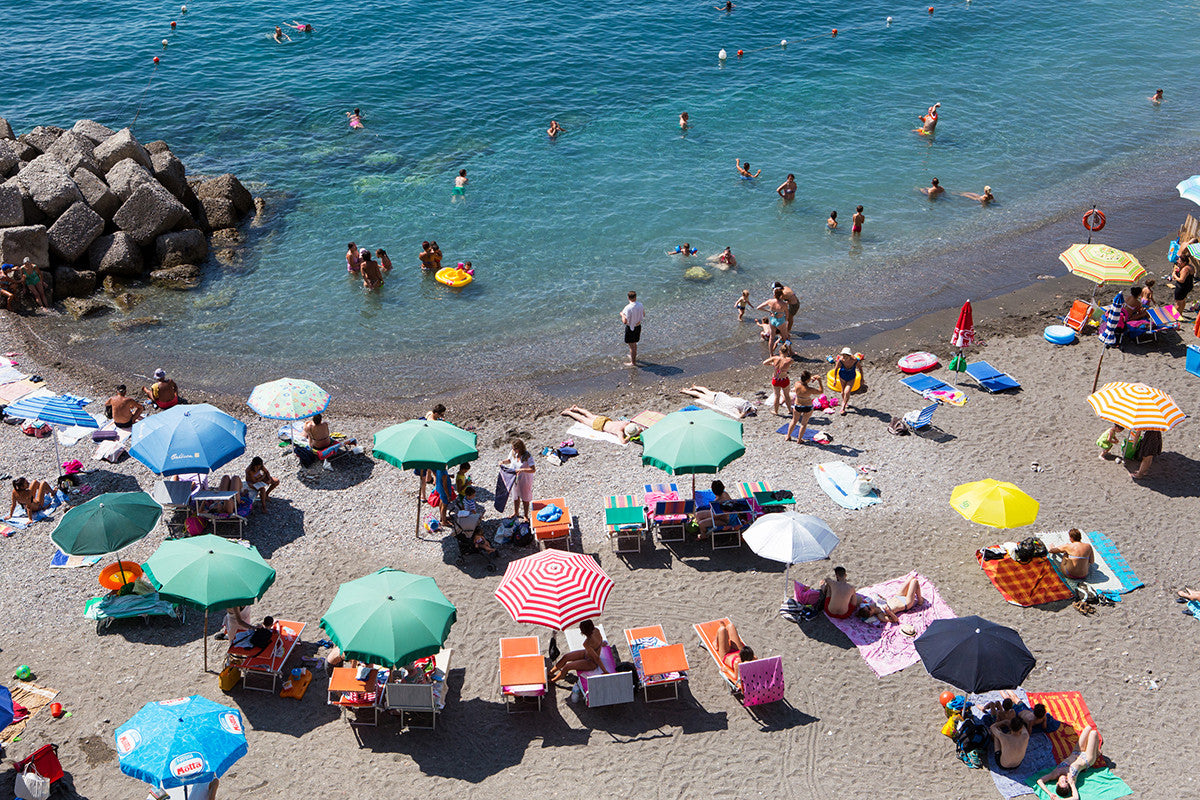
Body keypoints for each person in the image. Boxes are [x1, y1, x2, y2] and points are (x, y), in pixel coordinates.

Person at [1037, 724, 1102, 799]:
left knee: (1088, 728)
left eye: (1062, 782)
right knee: (1093, 733)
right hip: (1087, 758)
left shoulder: (1054, 773)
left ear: (1057, 783)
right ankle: (1096, 752)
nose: (1064, 779)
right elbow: (1076, 798)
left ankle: (1096, 751)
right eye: (1066, 782)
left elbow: (1040, 781)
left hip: (1077, 752)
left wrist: (1050, 793)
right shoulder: (1071, 780)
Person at [560, 406, 643, 443]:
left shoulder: (626, 423)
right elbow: (623, 441)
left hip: (604, 419)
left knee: (589, 415)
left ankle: (576, 408)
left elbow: (635, 428)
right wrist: (629, 436)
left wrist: (636, 430)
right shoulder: (619, 431)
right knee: (582, 419)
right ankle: (569, 412)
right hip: (599, 425)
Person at [500, 438, 535, 519]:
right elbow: (509, 460)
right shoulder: (513, 453)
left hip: (524, 479)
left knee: (525, 498)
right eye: (513, 448)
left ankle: (526, 515)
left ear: (520, 448)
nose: (513, 450)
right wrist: (502, 462)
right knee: (515, 496)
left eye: (515, 448)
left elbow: (533, 469)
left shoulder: (527, 456)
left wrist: (521, 470)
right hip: (514, 478)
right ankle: (516, 512)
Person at [787, 370, 824, 442]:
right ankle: (799, 439)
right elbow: (821, 391)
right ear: (807, 380)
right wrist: (819, 381)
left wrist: (809, 379)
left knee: (794, 421)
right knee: (804, 424)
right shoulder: (809, 390)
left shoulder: (796, 384)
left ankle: (788, 436)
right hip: (807, 406)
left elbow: (801, 382)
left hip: (798, 405)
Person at [678, 385, 757, 418]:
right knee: (699, 395)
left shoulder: (741, 401)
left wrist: (748, 409)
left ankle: (695, 386)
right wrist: (744, 413)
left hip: (721, 396)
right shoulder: (734, 407)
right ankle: (685, 391)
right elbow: (739, 416)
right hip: (715, 400)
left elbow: (751, 406)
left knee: (706, 391)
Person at [764, 342, 793, 416]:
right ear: (787, 352)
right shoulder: (789, 360)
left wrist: (772, 364)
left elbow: (764, 363)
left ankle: (776, 411)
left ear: (779, 351)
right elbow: (790, 361)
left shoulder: (775, 358)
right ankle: (789, 410)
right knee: (787, 395)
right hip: (784, 379)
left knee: (777, 396)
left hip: (776, 379)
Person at [756, 287, 788, 352]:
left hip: (772, 320)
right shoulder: (784, 304)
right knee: (785, 338)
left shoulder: (770, 301)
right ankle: (790, 352)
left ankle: (771, 354)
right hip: (780, 321)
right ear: (781, 295)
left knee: (772, 338)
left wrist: (768, 311)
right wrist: (786, 320)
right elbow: (787, 314)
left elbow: (758, 307)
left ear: (774, 295)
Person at [832, 347, 862, 415]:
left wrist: (862, 379)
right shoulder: (840, 360)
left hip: (851, 377)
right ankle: (845, 402)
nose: (844, 358)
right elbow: (836, 369)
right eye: (843, 356)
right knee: (843, 391)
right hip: (842, 376)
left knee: (847, 391)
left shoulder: (854, 360)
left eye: (846, 356)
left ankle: (843, 407)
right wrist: (834, 379)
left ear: (850, 356)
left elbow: (860, 369)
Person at [621, 290, 644, 366]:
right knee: (634, 344)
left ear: (628, 298)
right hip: (638, 326)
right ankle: (633, 356)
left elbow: (624, 321)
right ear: (636, 297)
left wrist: (622, 315)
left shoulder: (627, 308)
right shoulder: (640, 305)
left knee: (631, 346)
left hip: (631, 328)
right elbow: (643, 314)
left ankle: (633, 362)